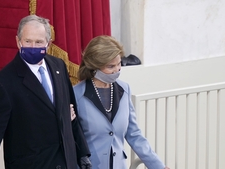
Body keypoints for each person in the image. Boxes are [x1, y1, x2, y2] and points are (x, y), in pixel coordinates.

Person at [0, 15, 92, 169]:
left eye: (39, 42)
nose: (33, 46)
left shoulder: (59, 66)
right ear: (18, 41)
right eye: (28, 41)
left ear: (48, 44)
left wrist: (82, 154)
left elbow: (71, 113)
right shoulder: (2, 84)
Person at [73, 35, 170, 169]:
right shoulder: (76, 94)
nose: (117, 70)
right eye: (111, 66)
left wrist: (158, 166)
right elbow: (71, 140)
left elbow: (134, 135)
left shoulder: (124, 89)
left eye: (119, 64)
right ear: (94, 67)